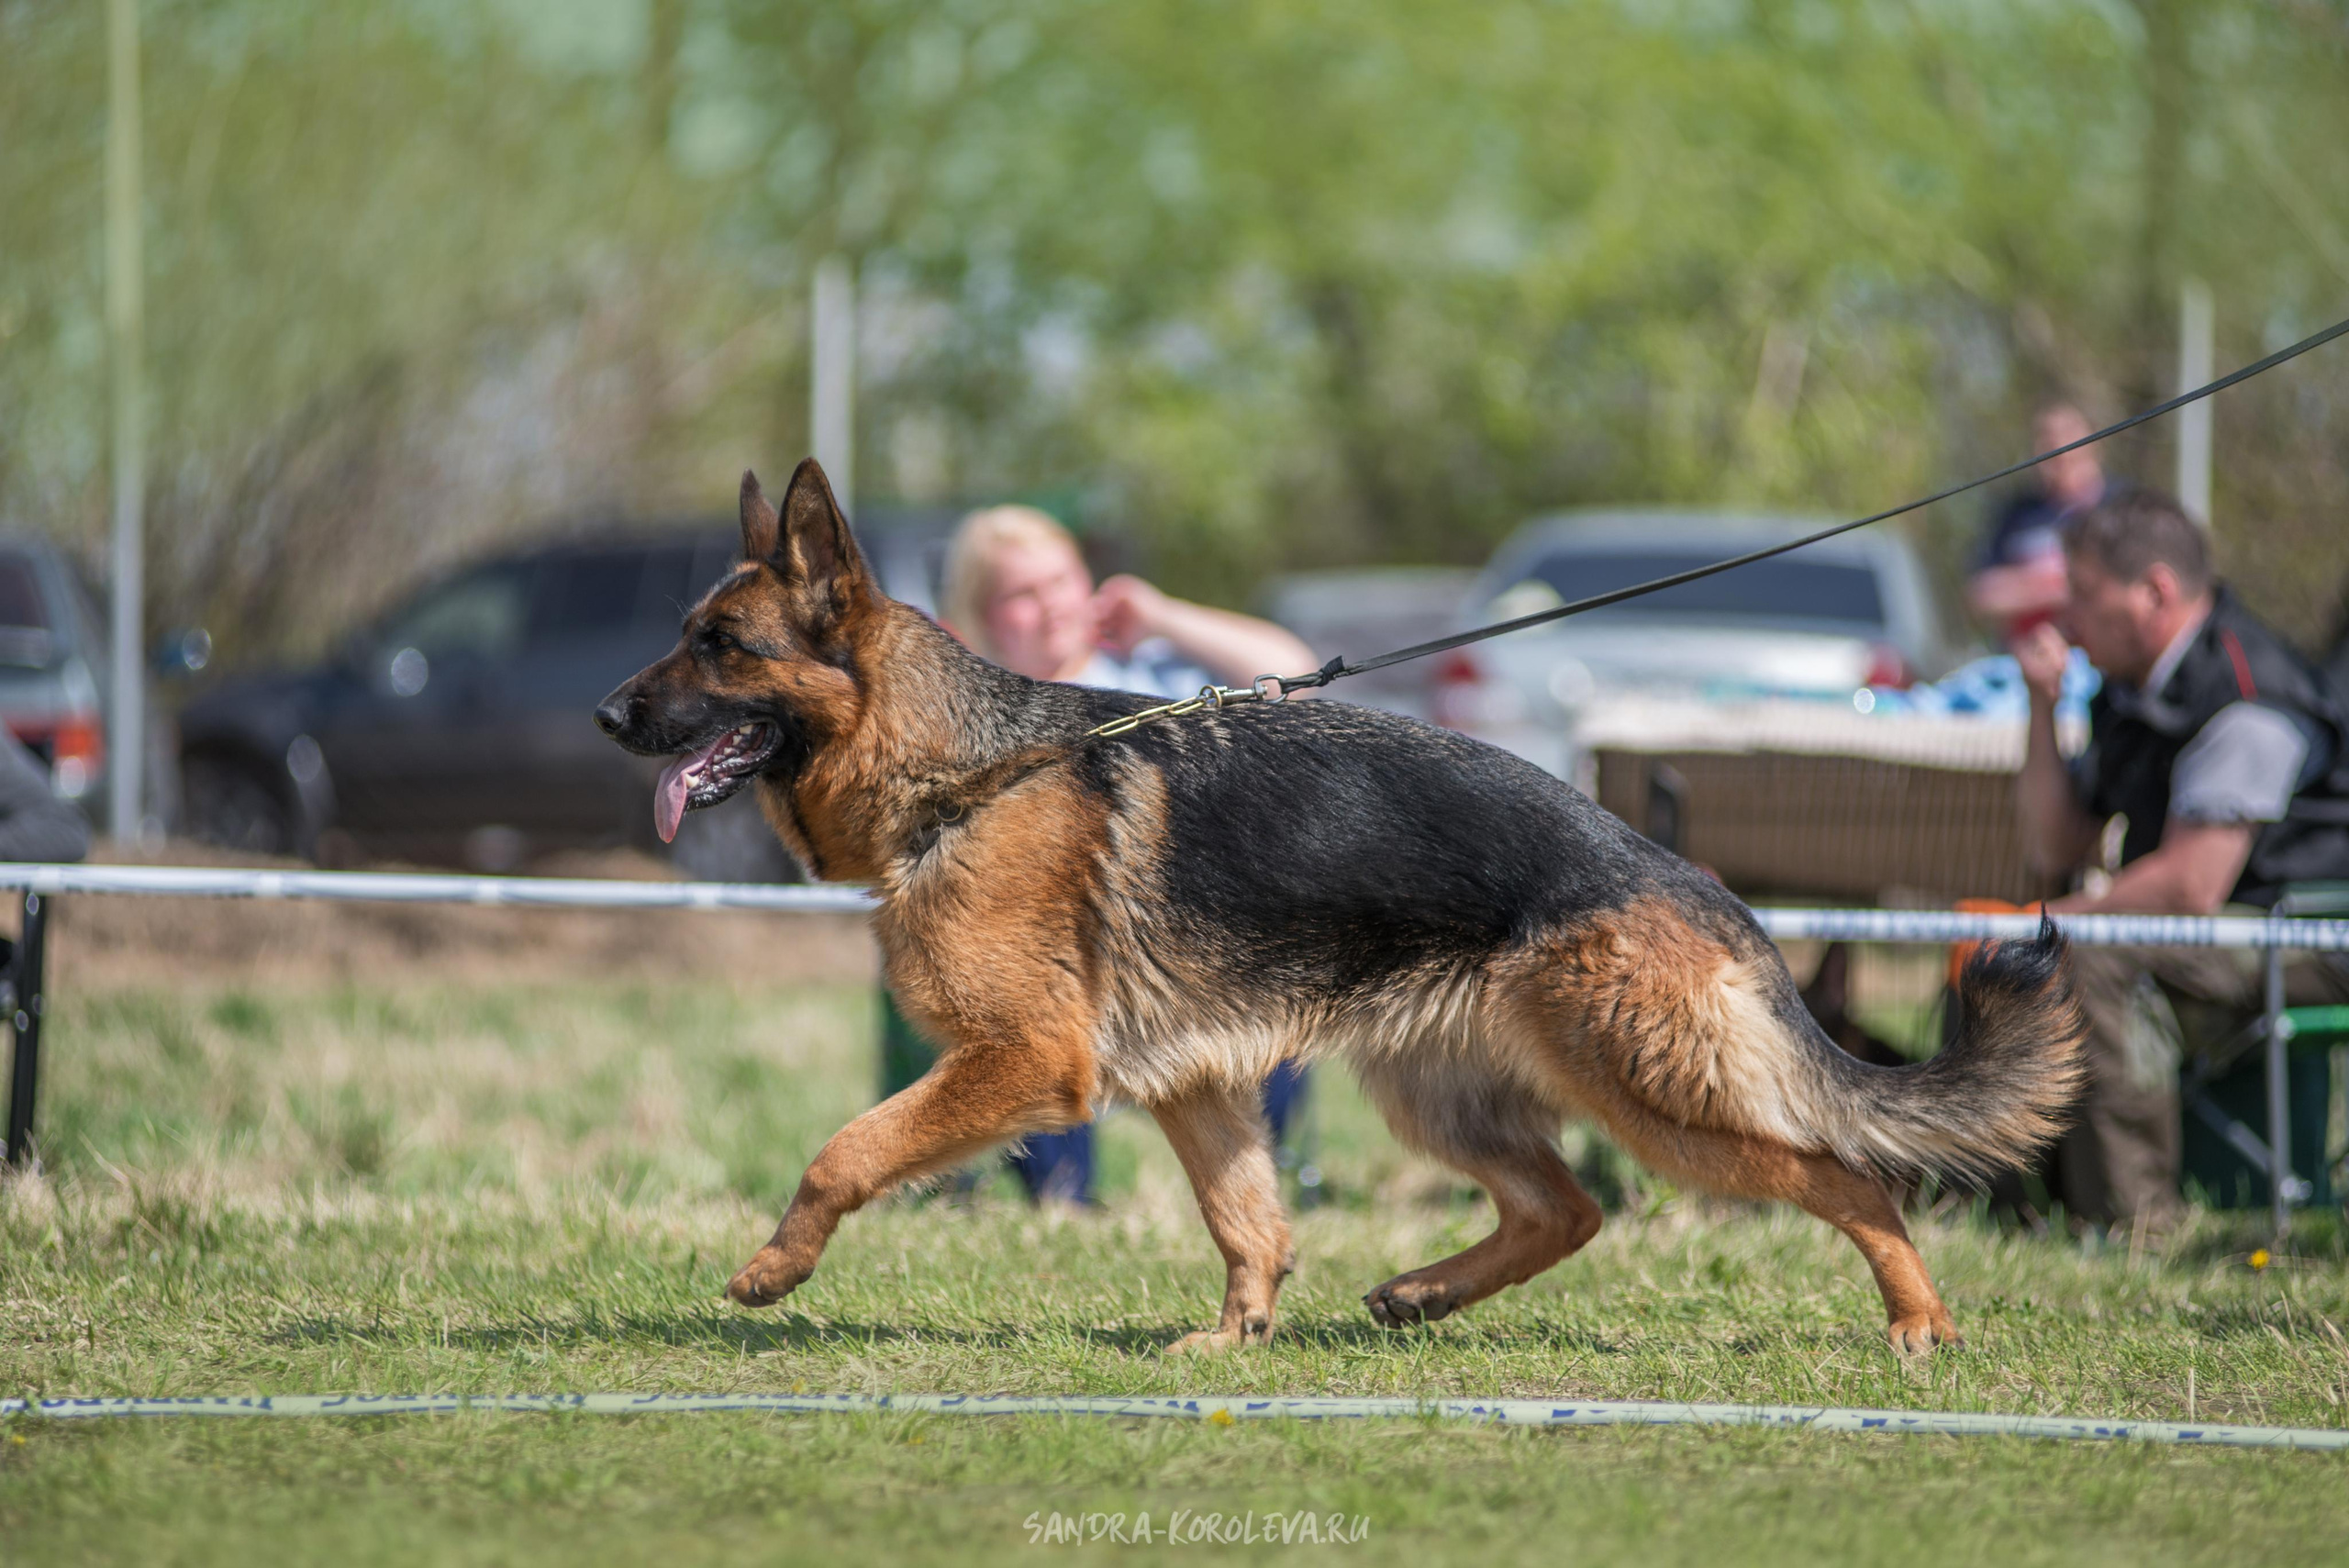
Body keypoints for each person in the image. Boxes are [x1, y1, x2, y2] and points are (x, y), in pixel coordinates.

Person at [877, 505, 1319, 1205]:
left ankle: (1256, 1178)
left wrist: (1163, 615)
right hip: (1051, 964)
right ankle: (1062, 1201)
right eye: (1022, 595)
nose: (1050, 607)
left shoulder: (1148, 672)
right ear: (978, 621)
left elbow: (1297, 673)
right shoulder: (970, 717)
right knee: (1027, 1005)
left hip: (1177, 949)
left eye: (1061, 580)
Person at [2011, 491, 2349, 1229]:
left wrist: (2048, 921)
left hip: (2309, 932)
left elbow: (2191, 884)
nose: (2068, 616)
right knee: (2006, 949)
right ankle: (2013, 1204)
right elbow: (2057, 843)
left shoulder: (2249, 692)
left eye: (2085, 592)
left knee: (2087, 956)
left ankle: (2132, 1230)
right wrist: (2041, 706)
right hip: (2230, 927)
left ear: (2154, 591)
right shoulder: (2132, 689)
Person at [1969, 403, 2116, 641]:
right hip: (2024, 658)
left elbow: (2121, 586)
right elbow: (1982, 595)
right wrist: (2057, 585)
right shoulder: (2016, 514)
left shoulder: (2123, 505)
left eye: (2068, 433)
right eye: (2045, 437)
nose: (2057, 446)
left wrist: (2022, 584)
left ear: (2095, 441)